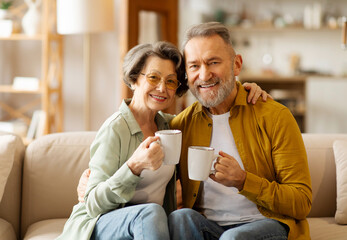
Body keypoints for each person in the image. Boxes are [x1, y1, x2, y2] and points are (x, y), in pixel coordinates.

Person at [58, 41, 267, 240]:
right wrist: (133, 167)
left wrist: (245, 90)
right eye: (153, 78)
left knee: (157, 214)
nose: (161, 88)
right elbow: (93, 204)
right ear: (134, 80)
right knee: (150, 212)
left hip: (147, 229)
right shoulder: (115, 129)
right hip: (99, 226)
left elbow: (214, 110)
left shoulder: (171, 126)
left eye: (170, 81)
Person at [168, 22, 312, 240]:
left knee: (233, 238)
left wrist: (244, 181)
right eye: (194, 66)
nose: (204, 75)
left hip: (266, 225)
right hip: (209, 228)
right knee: (180, 219)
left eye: (213, 62)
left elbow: (302, 202)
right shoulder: (181, 125)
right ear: (186, 74)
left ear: (236, 65)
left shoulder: (275, 117)